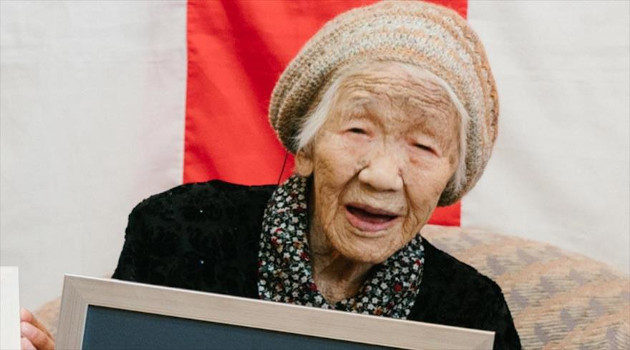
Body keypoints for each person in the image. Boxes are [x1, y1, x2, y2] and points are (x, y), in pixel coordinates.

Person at [21, 1, 521, 349]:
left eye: (423, 145)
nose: (384, 176)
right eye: (358, 129)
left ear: (451, 177)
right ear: (306, 148)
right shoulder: (182, 230)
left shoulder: (470, 312)